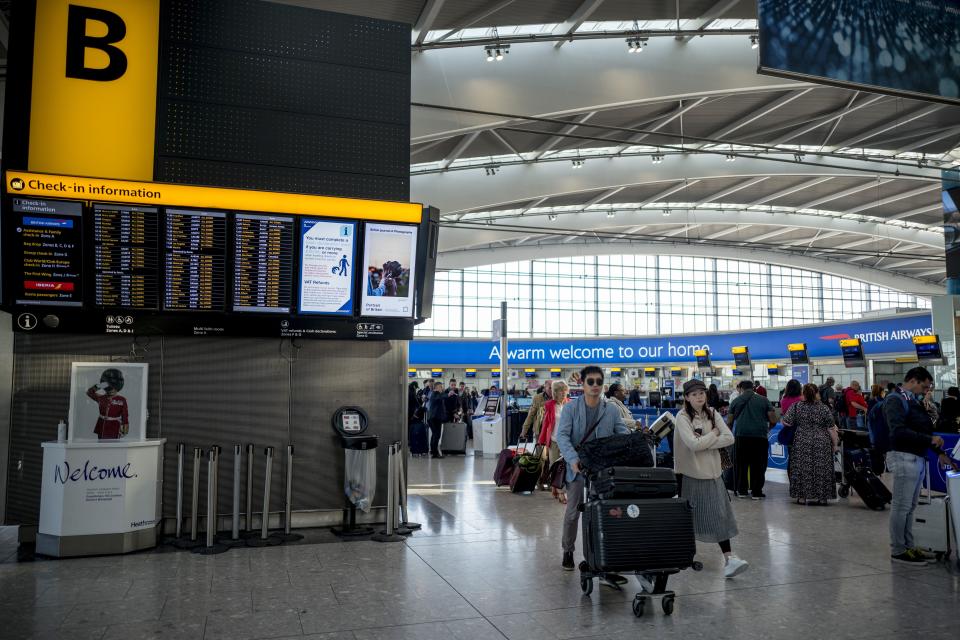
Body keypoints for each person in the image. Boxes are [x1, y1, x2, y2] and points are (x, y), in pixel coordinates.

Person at [556, 365, 630, 579]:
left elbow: (621, 433)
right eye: (591, 382)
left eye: (599, 382)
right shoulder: (571, 408)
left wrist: (627, 440)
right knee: (573, 512)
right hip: (578, 468)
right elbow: (562, 436)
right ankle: (568, 550)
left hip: (601, 470)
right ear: (583, 383)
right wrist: (572, 459)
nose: (595, 385)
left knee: (605, 513)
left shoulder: (611, 410)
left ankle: (603, 559)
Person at [674, 379, 749, 578]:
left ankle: (730, 558)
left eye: (702, 393)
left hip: (714, 474)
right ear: (687, 398)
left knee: (720, 515)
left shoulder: (713, 414)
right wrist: (714, 434)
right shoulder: (682, 417)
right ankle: (681, 555)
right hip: (691, 475)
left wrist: (705, 440)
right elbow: (692, 444)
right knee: (689, 520)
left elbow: (729, 438)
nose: (699, 397)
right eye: (694, 394)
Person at [884, 367, 951, 565]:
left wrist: (937, 452)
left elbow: (918, 427)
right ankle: (898, 550)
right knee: (901, 506)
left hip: (915, 457)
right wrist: (929, 438)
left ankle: (909, 546)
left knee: (910, 507)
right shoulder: (895, 399)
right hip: (904, 457)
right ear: (913, 380)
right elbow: (898, 431)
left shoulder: (911, 400)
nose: (925, 390)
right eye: (924, 386)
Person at [782, 383, 838, 505]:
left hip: (802, 440)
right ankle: (822, 498)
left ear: (803, 394)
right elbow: (831, 428)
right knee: (822, 469)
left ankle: (802, 497)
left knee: (802, 468)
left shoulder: (796, 406)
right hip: (822, 441)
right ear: (817, 393)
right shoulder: (824, 408)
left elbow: (787, 422)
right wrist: (835, 444)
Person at [727, 380, 775, 499]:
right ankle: (756, 492)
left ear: (741, 389)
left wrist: (731, 434)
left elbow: (729, 422)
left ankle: (742, 490)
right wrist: (767, 429)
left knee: (741, 464)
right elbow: (773, 419)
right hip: (759, 437)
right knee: (759, 464)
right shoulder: (764, 400)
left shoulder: (736, 401)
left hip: (741, 436)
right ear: (753, 388)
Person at [539, 380, 570, 502]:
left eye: (565, 391)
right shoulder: (549, 405)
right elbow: (546, 424)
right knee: (554, 466)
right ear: (555, 393)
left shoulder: (570, 404)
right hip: (553, 440)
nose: (563, 393)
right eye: (560, 391)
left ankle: (560, 491)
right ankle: (558, 489)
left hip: (567, 441)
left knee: (565, 467)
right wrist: (542, 440)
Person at [86, 368, 129, 440]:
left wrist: (125, 426)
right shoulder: (101, 398)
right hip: (102, 425)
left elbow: (125, 415)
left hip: (114, 426)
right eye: (110, 387)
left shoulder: (122, 400)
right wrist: (103, 385)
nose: (112, 390)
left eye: (114, 388)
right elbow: (90, 392)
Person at [426, 381, 448, 458]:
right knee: (436, 435)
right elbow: (440, 397)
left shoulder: (436, 394)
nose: (442, 388)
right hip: (434, 418)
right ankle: (435, 453)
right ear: (436, 387)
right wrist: (448, 394)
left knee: (435, 435)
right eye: (440, 387)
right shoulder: (435, 393)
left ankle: (433, 451)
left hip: (434, 418)